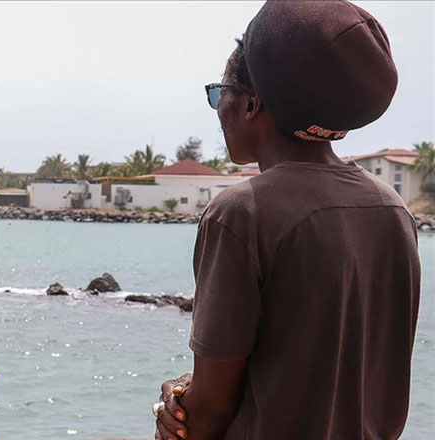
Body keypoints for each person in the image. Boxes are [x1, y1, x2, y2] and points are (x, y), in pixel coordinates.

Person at [152, 1, 420, 439]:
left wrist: (177, 410)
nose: (218, 109)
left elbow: (212, 410)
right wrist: (196, 388)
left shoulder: (241, 213)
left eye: (219, 93)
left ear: (252, 104)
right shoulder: (392, 210)